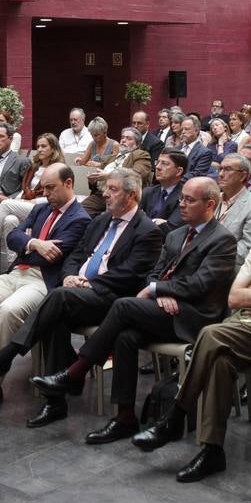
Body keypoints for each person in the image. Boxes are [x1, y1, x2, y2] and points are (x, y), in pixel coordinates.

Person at [128, 183, 251, 481]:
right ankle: (212, 451)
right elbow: (234, 298)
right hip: (244, 324)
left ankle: (175, 416)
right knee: (220, 361)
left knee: (210, 334)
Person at [33, 177, 238, 443]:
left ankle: (76, 372)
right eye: (182, 198)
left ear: (210, 204)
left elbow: (202, 284)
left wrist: (160, 290)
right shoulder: (176, 234)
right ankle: (125, 417)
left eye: (189, 200)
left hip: (194, 317)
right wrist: (159, 289)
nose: (181, 204)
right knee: (125, 336)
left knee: (123, 305)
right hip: (163, 310)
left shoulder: (222, 240)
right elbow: (154, 273)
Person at [0, 168, 163, 427]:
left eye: (113, 189)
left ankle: (6, 356)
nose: (105, 194)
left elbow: (129, 274)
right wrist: (70, 275)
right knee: (54, 317)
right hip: (77, 292)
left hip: (110, 299)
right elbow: (77, 254)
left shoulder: (147, 230)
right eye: (106, 188)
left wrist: (86, 283)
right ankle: (55, 403)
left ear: (133, 195)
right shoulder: (101, 220)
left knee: (57, 298)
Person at [0, 165, 90, 412]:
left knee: (8, 310)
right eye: (43, 188)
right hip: (16, 273)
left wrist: (28, 245)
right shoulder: (40, 209)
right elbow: (12, 237)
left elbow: (55, 255)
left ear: (69, 183)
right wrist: (35, 243)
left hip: (42, 281)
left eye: (51, 188)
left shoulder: (80, 219)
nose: (45, 193)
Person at [0, 132, 61, 263]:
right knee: (9, 220)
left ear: (53, 148)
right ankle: (13, 264)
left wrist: (26, 200)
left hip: (46, 208)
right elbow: (24, 189)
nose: (40, 149)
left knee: (6, 204)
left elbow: (55, 196)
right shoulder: (34, 167)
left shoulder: (57, 169)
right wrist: (20, 199)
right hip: (29, 205)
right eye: (38, 146)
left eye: (44, 146)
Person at [81, 126, 153, 215]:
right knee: (78, 212)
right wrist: (93, 181)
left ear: (137, 144)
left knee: (104, 217)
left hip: (122, 196)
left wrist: (109, 176)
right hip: (101, 195)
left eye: (128, 138)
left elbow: (137, 174)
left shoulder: (141, 155)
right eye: (122, 137)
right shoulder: (110, 158)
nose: (123, 140)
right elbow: (96, 184)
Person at [212, 154, 251, 261]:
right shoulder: (214, 198)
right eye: (220, 169)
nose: (220, 174)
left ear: (243, 176)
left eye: (227, 170)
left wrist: (211, 255)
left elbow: (247, 247)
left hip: (223, 264)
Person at [141, 149, 187, 230]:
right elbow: (133, 220)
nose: (158, 167)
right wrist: (155, 221)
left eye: (164, 164)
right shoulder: (147, 192)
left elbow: (171, 228)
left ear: (179, 171)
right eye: (157, 162)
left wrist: (144, 221)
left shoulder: (185, 197)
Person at [174, 115, 213, 180]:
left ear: (196, 131)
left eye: (186, 129)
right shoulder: (175, 149)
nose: (183, 132)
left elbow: (197, 174)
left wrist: (174, 180)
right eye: (182, 129)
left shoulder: (205, 152)